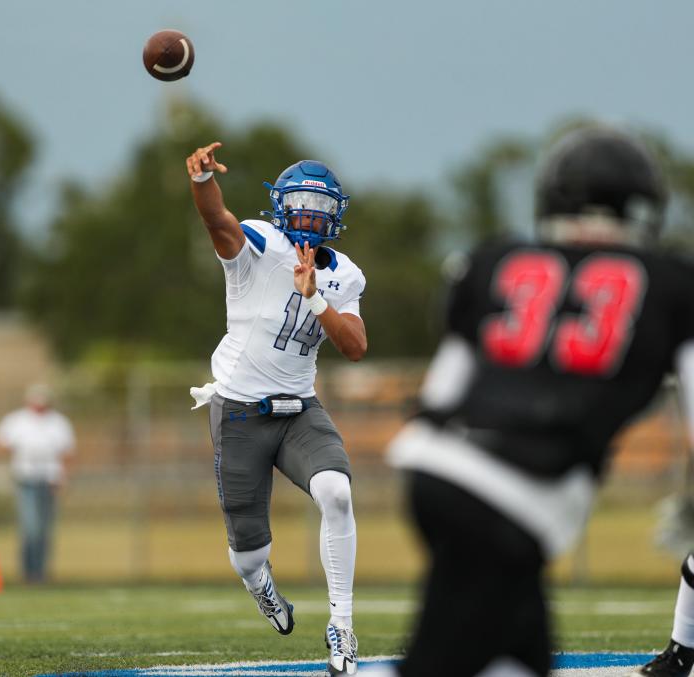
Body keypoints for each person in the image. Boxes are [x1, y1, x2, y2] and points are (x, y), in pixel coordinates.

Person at [366, 126, 694, 677]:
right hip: (515, 498)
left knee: (518, 662)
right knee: (433, 668)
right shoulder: (670, 284)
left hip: (433, 471)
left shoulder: (495, 259)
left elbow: (444, 390)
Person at [186, 142, 368, 676]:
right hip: (240, 410)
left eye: (321, 205)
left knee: (336, 491)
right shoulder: (260, 244)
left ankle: (343, 627)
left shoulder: (344, 274)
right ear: (282, 206)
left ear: (336, 214)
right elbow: (218, 222)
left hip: (298, 411)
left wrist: (315, 297)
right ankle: (259, 583)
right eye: (303, 202)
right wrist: (201, 183)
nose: (311, 214)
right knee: (247, 552)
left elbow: (354, 346)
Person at [0, 383, 75, 583]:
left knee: (44, 529)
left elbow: (67, 453)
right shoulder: (17, 420)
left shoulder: (58, 423)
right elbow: (2, 444)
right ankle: (29, 571)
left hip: (49, 479)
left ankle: (40, 572)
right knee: (31, 527)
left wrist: (64, 477)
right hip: (26, 478)